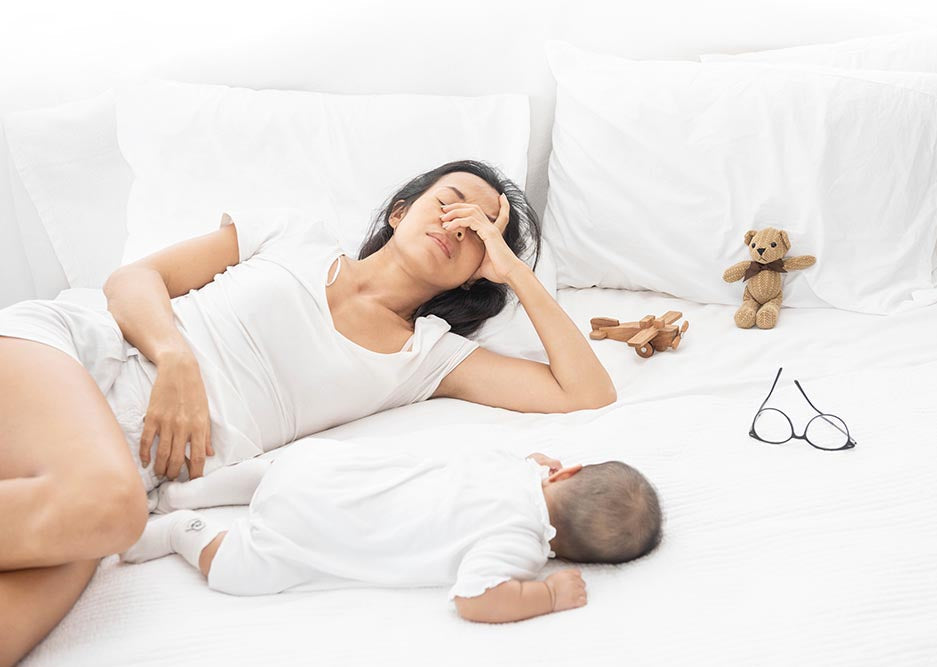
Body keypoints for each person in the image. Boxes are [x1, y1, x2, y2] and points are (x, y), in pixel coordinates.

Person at [0, 159, 617, 663]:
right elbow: (133, 279)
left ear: (476, 272)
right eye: (448, 204)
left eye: (477, 231)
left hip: (124, 473)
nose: (457, 226)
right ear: (401, 210)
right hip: (81, 358)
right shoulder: (294, 236)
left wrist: (512, 270)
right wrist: (174, 358)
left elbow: (585, 392)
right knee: (114, 512)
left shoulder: (426, 358)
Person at [121, 438, 663, 623]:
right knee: (235, 569)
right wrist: (545, 596)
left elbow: (514, 466)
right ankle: (178, 530)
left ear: (564, 473)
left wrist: (536, 466)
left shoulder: (515, 468)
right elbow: (475, 598)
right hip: (308, 530)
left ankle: (184, 493)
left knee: (273, 472)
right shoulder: (520, 545)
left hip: (315, 469)